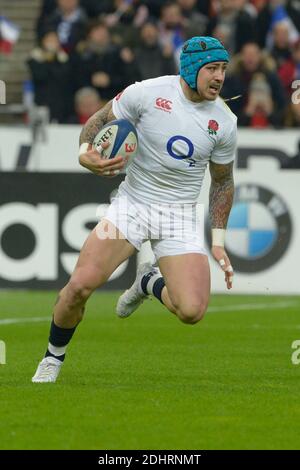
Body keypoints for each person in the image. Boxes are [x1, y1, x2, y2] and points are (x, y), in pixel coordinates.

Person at [32, 36, 236, 383]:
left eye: (223, 70)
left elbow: (223, 182)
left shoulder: (224, 122)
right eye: (211, 69)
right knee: (79, 286)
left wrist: (218, 239)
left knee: (191, 311)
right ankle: (53, 357)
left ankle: (147, 281)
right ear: (189, 70)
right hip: (133, 205)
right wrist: (85, 154)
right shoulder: (146, 93)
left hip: (180, 217)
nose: (219, 77)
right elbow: (96, 123)